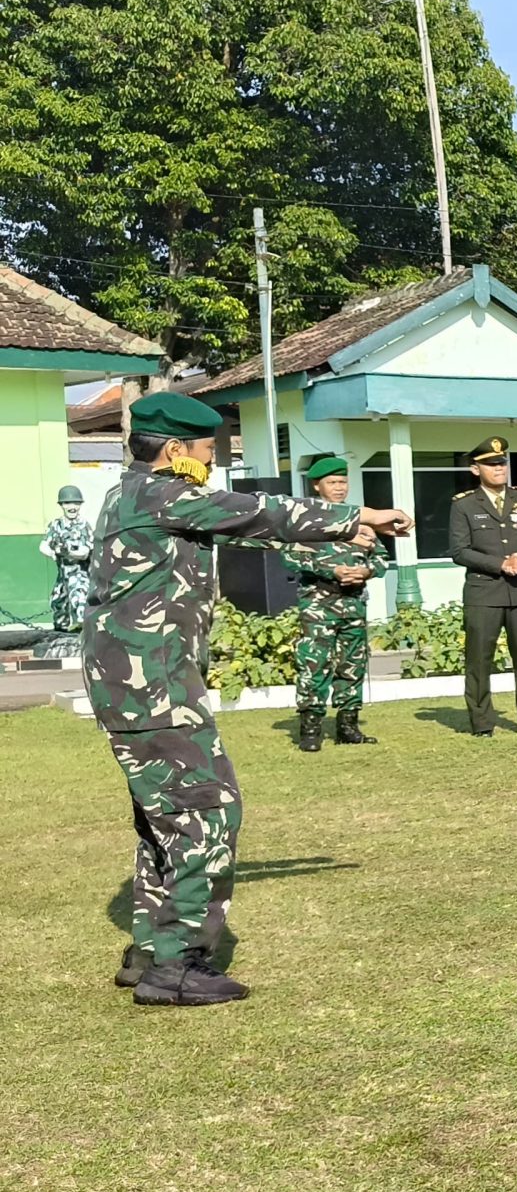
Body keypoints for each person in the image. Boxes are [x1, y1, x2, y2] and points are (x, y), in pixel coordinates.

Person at [87, 392, 408, 1005]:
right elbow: (257, 511)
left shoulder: (138, 494)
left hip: (137, 680)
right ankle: (177, 966)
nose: (213, 461)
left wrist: (341, 532)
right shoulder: (162, 493)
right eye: (206, 449)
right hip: (150, 684)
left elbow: (243, 528)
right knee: (207, 811)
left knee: (166, 817)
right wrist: (358, 516)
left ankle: (151, 949)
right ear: (174, 449)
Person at [281, 455, 386, 751]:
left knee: (352, 664)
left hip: (353, 603)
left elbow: (381, 558)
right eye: (332, 482)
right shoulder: (306, 520)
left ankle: (348, 727)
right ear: (317, 486)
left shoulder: (359, 519)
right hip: (319, 604)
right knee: (314, 664)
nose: (339, 488)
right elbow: (290, 557)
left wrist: (366, 571)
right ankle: (311, 729)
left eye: (343, 482)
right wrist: (332, 570)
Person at [451, 435, 517, 737]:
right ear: (475, 469)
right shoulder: (463, 505)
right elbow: (459, 551)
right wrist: (500, 564)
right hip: (484, 591)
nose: (499, 468)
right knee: (479, 660)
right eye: (491, 464)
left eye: (502, 463)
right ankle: (482, 723)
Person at [41, 484, 90, 631]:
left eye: (76, 503)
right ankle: (62, 632)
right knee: (58, 604)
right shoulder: (56, 525)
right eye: (67, 503)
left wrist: (66, 552)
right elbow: (43, 545)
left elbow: (84, 552)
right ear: (62, 505)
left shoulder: (83, 526)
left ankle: (82, 629)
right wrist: (52, 552)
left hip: (79, 574)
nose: (72, 507)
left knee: (79, 599)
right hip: (63, 575)